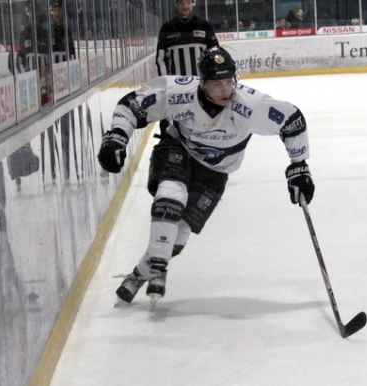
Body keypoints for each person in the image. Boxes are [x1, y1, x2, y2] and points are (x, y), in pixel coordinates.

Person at [98, 47, 315, 307]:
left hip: (216, 169)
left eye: (228, 81)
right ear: (202, 83)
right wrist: (117, 137)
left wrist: (298, 167)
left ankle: (142, 273)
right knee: (171, 195)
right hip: (178, 147)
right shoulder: (178, 94)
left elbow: (292, 121)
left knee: (179, 233)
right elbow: (132, 105)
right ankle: (158, 266)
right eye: (216, 84)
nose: (225, 90)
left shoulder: (250, 105)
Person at [155, 0, 218, 78]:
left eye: (188, 2)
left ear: (193, 4)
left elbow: (215, 53)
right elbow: (161, 59)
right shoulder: (167, 28)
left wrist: (210, 79)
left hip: (200, 83)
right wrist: (166, 81)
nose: (185, 6)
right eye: (181, 3)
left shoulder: (204, 26)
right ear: (176, 4)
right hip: (176, 85)